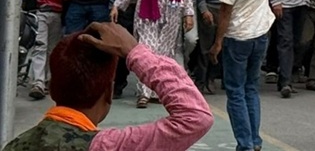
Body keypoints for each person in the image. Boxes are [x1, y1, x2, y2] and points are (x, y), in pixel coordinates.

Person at [2, 22, 213, 151]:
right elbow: (195, 117)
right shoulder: (106, 146)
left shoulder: (15, 145)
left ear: (52, 88)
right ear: (109, 93)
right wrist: (135, 53)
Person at [209, 0, 278, 151]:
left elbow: (225, 10)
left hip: (238, 37)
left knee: (236, 92)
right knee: (250, 88)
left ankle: (245, 144)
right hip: (259, 33)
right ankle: (254, 141)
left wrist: (217, 42)